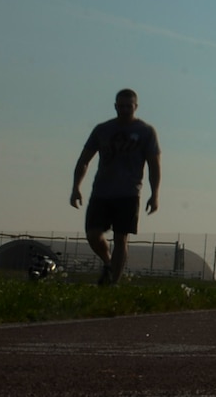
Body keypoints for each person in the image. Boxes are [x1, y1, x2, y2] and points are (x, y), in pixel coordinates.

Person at [70, 88, 162, 285]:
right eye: (121, 106)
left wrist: (154, 195)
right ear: (115, 106)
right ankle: (108, 262)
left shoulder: (145, 132)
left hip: (128, 193)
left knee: (121, 237)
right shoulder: (102, 130)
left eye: (129, 106)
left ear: (135, 107)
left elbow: (154, 164)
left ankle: (113, 283)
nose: (125, 109)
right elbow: (84, 159)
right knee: (93, 234)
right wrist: (76, 187)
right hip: (102, 191)